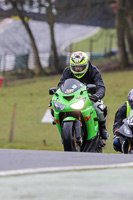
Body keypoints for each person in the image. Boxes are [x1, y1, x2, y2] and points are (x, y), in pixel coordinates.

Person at [57, 51, 109, 140]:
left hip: (90, 97)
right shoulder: (67, 71)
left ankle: (102, 128)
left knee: (100, 107)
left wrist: (97, 95)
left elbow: (101, 86)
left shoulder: (93, 70)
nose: (77, 69)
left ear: (86, 65)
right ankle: (64, 132)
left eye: (80, 67)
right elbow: (61, 85)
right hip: (73, 97)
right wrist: (57, 96)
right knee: (55, 108)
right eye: (75, 67)